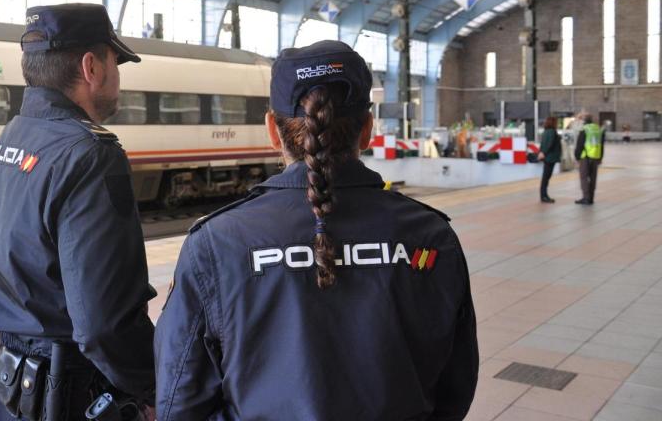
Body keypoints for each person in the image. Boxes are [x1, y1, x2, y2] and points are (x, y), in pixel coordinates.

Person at [154, 41, 478, 421]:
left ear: (273, 131)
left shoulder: (216, 243)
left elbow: (179, 397)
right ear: (368, 130)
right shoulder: (431, 237)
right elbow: (455, 387)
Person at [0, 4, 155, 421]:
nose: (118, 77)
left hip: (12, 392)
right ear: (91, 66)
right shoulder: (91, 154)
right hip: (75, 396)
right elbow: (103, 323)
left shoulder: (9, 139)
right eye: (117, 62)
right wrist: (153, 388)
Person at [574, 113, 605, 205]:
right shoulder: (598, 129)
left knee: (584, 177)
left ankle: (586, 198)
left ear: (584, 121)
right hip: (595, 156)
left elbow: (580, 145)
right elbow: (602, 145)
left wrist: (577, 157)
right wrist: (600, 157)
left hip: (585, 157)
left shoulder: (585, 129)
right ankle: (591, 198)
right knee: (593, 178)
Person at [538, 117, 561, 203]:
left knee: (545, 177)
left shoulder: (545, 131)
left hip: (546, 157)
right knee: (546, 177)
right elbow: (550, 144)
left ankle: (543, 195)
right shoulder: (552, 132)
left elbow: (543, 143)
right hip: (550, 157)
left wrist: (541, 152)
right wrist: (544, 152)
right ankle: (544, 196)